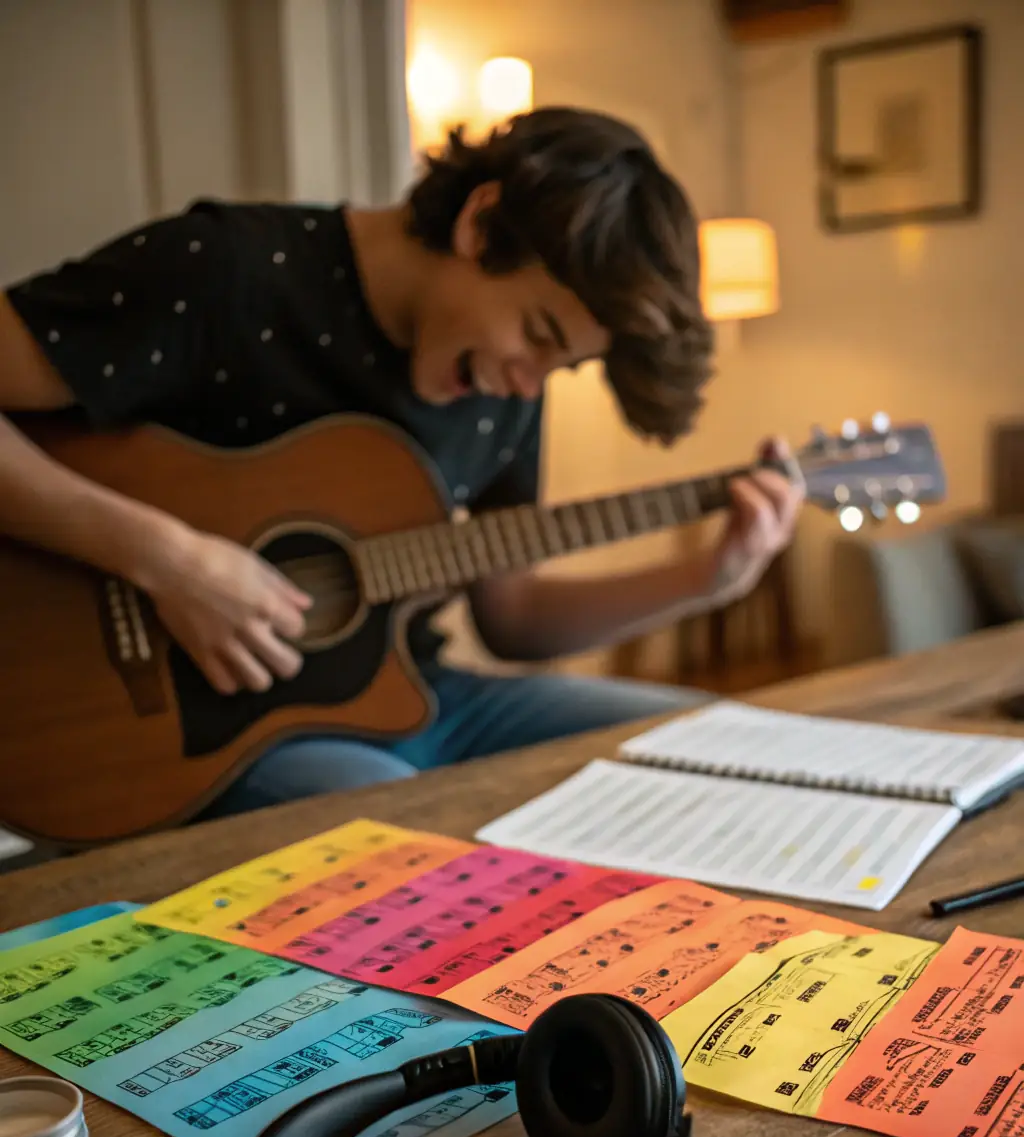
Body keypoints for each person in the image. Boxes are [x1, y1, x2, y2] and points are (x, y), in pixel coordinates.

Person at [0, 106, 802, 820]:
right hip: (203, 736)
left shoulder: (508, 386)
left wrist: (709, 579)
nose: (528, 381)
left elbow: (512, 619)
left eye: (560, 368)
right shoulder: (225, 271)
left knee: (729, 754)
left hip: (419, 701)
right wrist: (168, 560)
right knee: (414, 845)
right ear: (481, 226)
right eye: (538, 335)